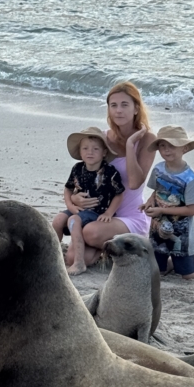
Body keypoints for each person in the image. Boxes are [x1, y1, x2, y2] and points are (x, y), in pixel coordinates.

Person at [70, 82, 157, 266]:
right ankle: (112, 253)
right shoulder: (101, 138)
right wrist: (75, 199)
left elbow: (134, 183)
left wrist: (130, 144)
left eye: (125, 105)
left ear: (136, 108)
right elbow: (83, 176)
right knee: (72, 258)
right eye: (113, 105)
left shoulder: (147, 139)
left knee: (90, 233)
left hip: (129, 217)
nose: (118, 110)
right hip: (99, 214)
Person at [52, 128, 125, 275]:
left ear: (104, 152)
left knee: (73, 220)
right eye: (85, 148)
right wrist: (70, 205)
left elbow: (119, 194)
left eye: (95, 149)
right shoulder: (77, 168)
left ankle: (79, 263)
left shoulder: (110, 172)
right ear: (80, 152)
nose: (89, 152)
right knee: (59, 219)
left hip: (96, 214)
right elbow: (68, 189)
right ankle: (53, 256)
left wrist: (109, 212)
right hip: (78, 210)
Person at [142, 125, 194, 279]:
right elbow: (156, 191)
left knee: (189, 276)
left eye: (172, 146)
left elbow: (191, 210)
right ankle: (169, 264)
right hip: (157, 230)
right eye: (162, 146)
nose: (166, 150)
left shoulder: (190, 178)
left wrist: (162, 211)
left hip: (181, 232)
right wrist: (149, 202)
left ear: (184, 148)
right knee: (157, 272)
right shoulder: (158, 170)